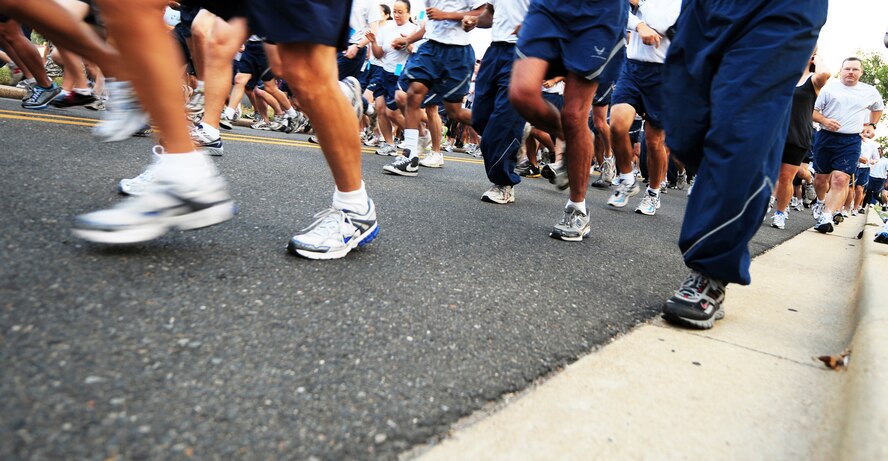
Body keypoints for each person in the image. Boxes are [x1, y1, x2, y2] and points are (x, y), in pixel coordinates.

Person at [659, 0, 827, 329]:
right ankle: (745, 184)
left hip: (782, 10)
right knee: (684, 128)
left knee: (739, 129)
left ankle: (711, 270)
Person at [508, 0, 628, 240]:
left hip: (598, 11)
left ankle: (577, 208)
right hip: (549, 7)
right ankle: (574, 138)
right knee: (521, 94)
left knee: (574, 116)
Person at [381, 0, 485, 177]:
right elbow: (430, 26)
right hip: (430, 49)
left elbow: (483, 13)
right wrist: (407, 40)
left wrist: (455, 17)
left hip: (457, 53)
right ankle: (410, 155)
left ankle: (498, 126)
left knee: (455, 112)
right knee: (411, 95)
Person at [607, 0, 681, 216]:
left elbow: (667, 24)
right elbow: (620, 11)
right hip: (632, 68)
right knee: (617, 125)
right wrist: (640, 25)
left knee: (654, 142)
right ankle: (628, 179)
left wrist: (643, 7)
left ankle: (653, 192)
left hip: (664, 75)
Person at [462, 0, 530, 205]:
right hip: (495, 50)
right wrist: (474, 20)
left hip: (523, 50)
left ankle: (504, 184)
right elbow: (489, 15)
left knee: (501, 125)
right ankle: (518, 133)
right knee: (480, 118)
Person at [810, 57, 884, 233]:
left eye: (855, 69)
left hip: (851, 140)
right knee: (821, 179)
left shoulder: (869, 91)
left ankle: (827, 216)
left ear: (861, 72)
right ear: (841, 70)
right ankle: (821, 202)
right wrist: (825, 121)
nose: (851, 72)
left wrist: (872, 125)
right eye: (847, 69)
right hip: (826, 137)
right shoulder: (829, 88)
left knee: (841, 179)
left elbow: (878, 108)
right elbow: (813, 111)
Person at [769, 50, 830, 230]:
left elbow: (825, 73)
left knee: (786, 177)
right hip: (773, 133)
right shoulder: (784, 75)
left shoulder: (813, 80)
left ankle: (780, 213)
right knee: (767, 173)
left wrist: (816, 58)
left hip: (797, 135)